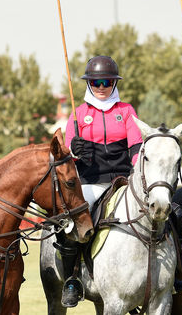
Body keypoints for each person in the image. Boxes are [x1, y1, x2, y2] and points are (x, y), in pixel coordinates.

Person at [60, 55, 142, 308]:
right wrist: (73, 149)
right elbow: (66, 155)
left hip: (123, 180)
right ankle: (72, 278)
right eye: (96, 83)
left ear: (115, 83)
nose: (102, 87)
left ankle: (170, 272)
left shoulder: (126, 110)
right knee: (72, 224)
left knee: (157, 212)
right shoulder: (78, 113)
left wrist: (138, 172)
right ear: (89, 84)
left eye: (107, 82)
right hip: (91, 182)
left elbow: (136, 146)